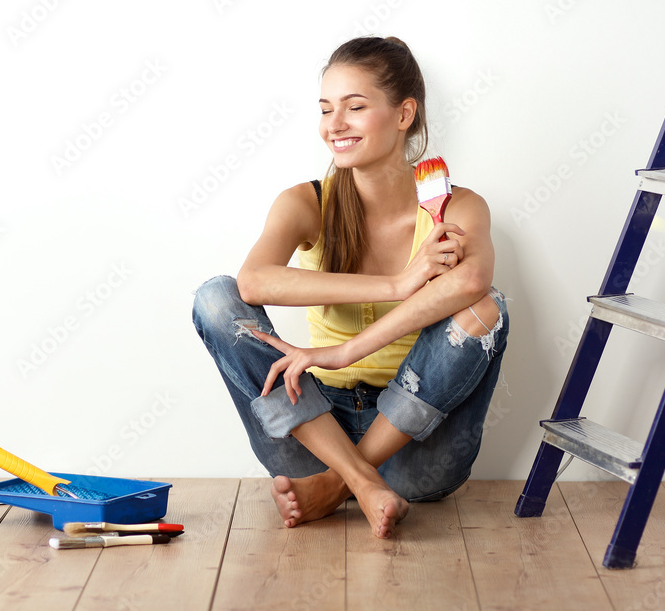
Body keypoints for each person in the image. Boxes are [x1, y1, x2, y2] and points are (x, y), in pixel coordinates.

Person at [192, 36, 508, 539]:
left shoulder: (458, 207)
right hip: (312, 432)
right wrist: (399, 283)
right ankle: (359, 479)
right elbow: (252, 283)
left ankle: (337, 485)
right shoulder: (305, 202)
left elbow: (474, 283)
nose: (333, 125)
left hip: (413, 448)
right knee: (215, 296)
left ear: (404, 114)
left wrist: (345, 351)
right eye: (325, 109)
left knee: (488, 309)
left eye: (354, 107)